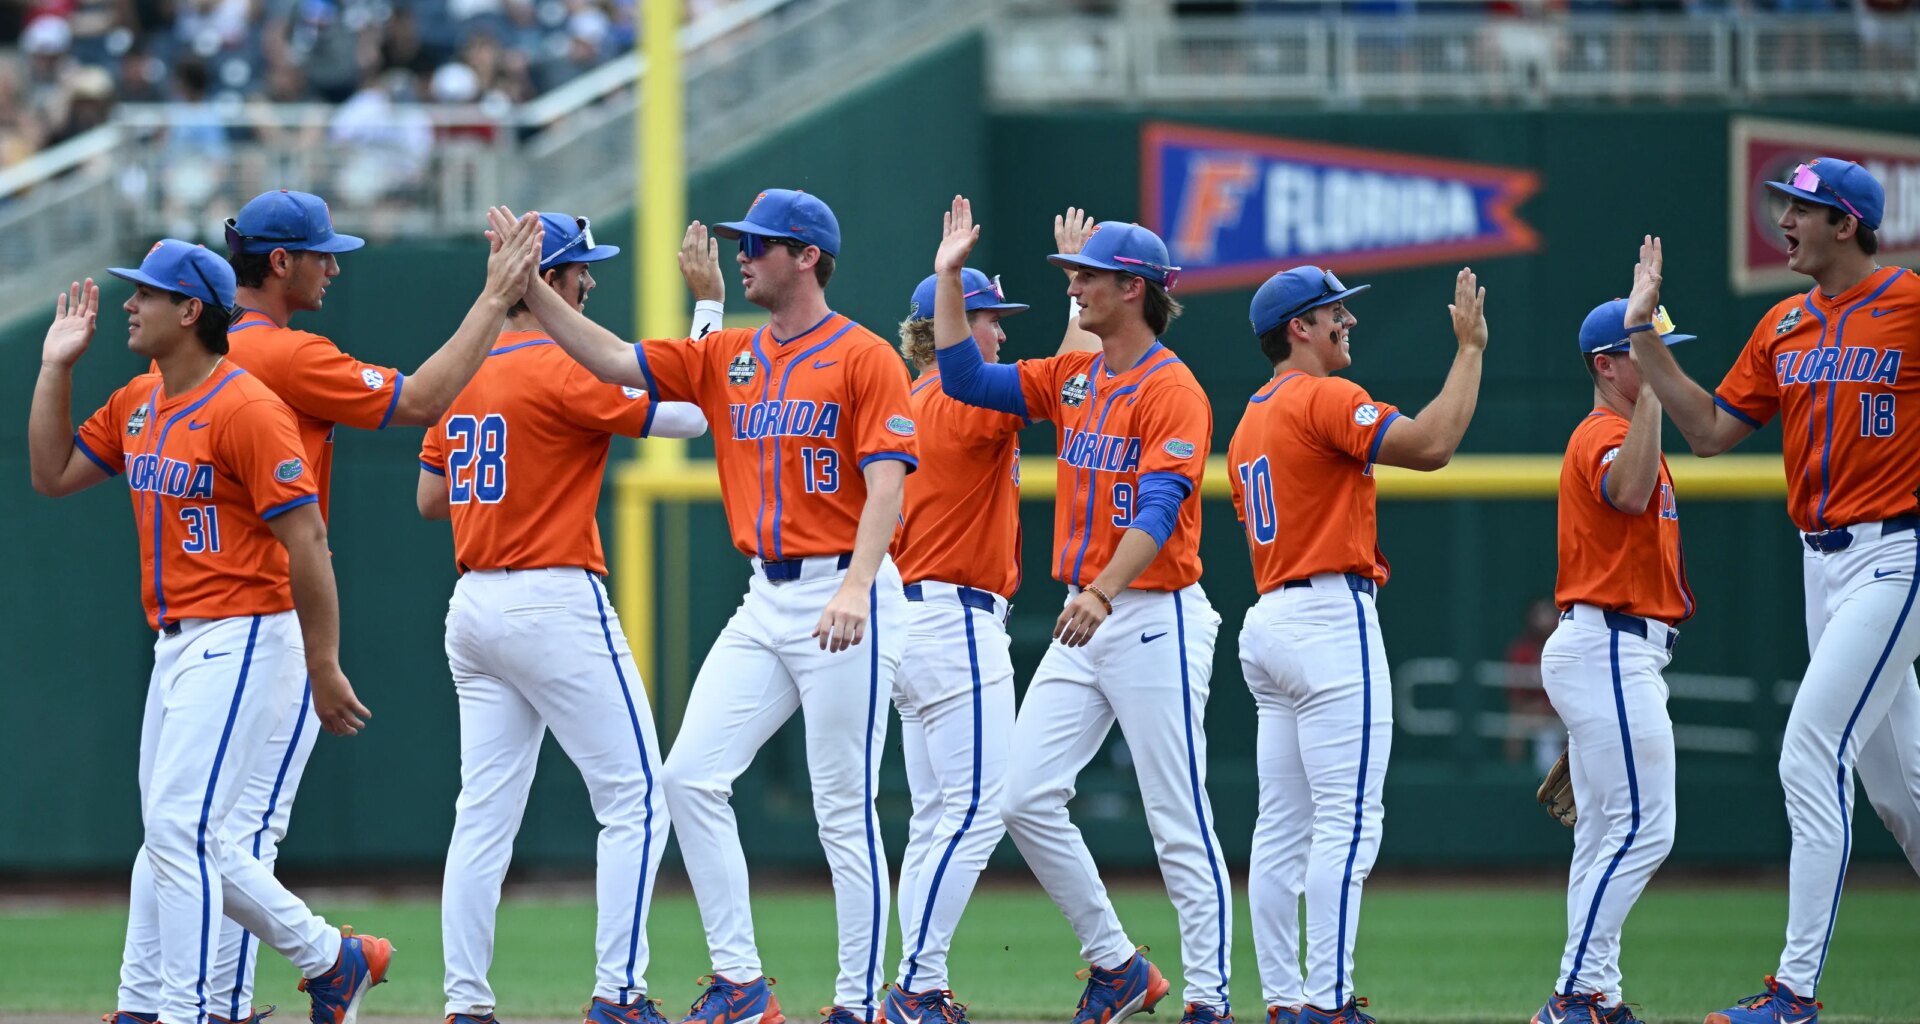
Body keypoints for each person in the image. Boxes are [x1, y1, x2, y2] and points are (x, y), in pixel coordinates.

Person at [109, 190, 541, 1024]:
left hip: (213, 619)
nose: (334, 267)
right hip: (261, 620)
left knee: (178, 831)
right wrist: (494, 300)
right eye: (321, 253)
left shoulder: (192, 358)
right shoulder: (278, 355)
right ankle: (284, 977)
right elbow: (420, 401)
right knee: (218, 834)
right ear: (280, 262)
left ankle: (159, 1000)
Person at [504, 191, 918, 1024]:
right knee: (689, 778)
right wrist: (532, 290)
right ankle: (742, 983)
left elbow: (888, 486)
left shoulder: (865, 356)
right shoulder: (729, 354)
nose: (743, 254)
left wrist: (856, 587)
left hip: (847, 592)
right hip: (765, 596)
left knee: (843, 808)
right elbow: (617, 362)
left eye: (759, 244)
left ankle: (857, 1005)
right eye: (742, 242)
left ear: (806, 256)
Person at [29, 243, 390, 1024]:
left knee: (179, 828)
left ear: (192, 310)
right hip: (176, 642)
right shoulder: (139, 400)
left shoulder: (247, 406)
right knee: (170, 833)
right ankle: (329, 959)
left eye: (147, 294)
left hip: (247, 633)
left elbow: (309, 540)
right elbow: (51, 472)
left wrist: (323, 664)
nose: (130, 304)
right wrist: (56, 366)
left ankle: (188, 1011)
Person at [1620, 159, 1920, 1024]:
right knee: (1902, 798)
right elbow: (1710, 429)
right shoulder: (1783, 322)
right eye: (1785, 206)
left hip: (1892, 556)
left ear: (1850, 225)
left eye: (1804, 210)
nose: (1785, 221)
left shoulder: (1908, 306)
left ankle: (1793, 994)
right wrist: (1644, 337)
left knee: (1808, 751)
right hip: (1819, 566)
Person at [931, 196, 1231, 1024]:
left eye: (1088, 276)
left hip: (1150, 613)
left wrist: (1102, 590)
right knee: (1021, 798)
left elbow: (1160, 506)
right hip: (1087, 613)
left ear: (1133, 288)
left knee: (1178, 818)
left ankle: (1210, 999)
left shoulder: (1172, 389)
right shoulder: (1075, 374)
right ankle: (1117, 965)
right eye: (1074, 274)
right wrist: (948, 277)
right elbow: (964, 378)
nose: (1075, 286)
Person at [420, 211, 709, 1024]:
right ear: (550, 278)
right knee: (637, 799)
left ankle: (465, 1004)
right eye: (582, 270)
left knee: (481, 817)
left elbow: (430, 496)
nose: (591, 282)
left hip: (473, 603)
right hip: (551, 596)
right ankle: (618, 994)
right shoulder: (561, 363)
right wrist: (709, 320)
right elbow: (688, 415)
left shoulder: (466, 360)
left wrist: (513, 465)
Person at [1228, 263, 1488, 1024]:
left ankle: (1284, 1001)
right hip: (1328, 621)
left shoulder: (1250, 417)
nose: (1348, 321)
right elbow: (1433, 444)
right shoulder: (1324, 396)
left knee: (1280, 828)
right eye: (1333, 311)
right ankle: (1327, 1002)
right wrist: (1469, 349)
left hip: (1272, 620)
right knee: (1347, 821)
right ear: (1297, 329)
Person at [879, 208, 1103, 1024]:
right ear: (944, 326)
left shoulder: (906, 399)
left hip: (908, 622)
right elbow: (1078, 375)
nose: (1001, 336)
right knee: (977, 808)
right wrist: (1085, 288)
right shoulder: (959, 397)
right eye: (988, 321)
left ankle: (919, 985)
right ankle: (916, 986)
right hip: (954, 619)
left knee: (937, 816)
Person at [1530, 280, 1699, 1024]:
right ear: (1608, 365)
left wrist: (1652, 367)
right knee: (1645, 828)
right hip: (1608, 645)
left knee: (1605, 833)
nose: (1662, 365)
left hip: (1618, 649)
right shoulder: (1601, 434)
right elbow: (1628, 494)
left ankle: (1598, 992)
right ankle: (1574, 992)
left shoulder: (1634, 435)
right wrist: (1660, 391)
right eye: (1647, 354)